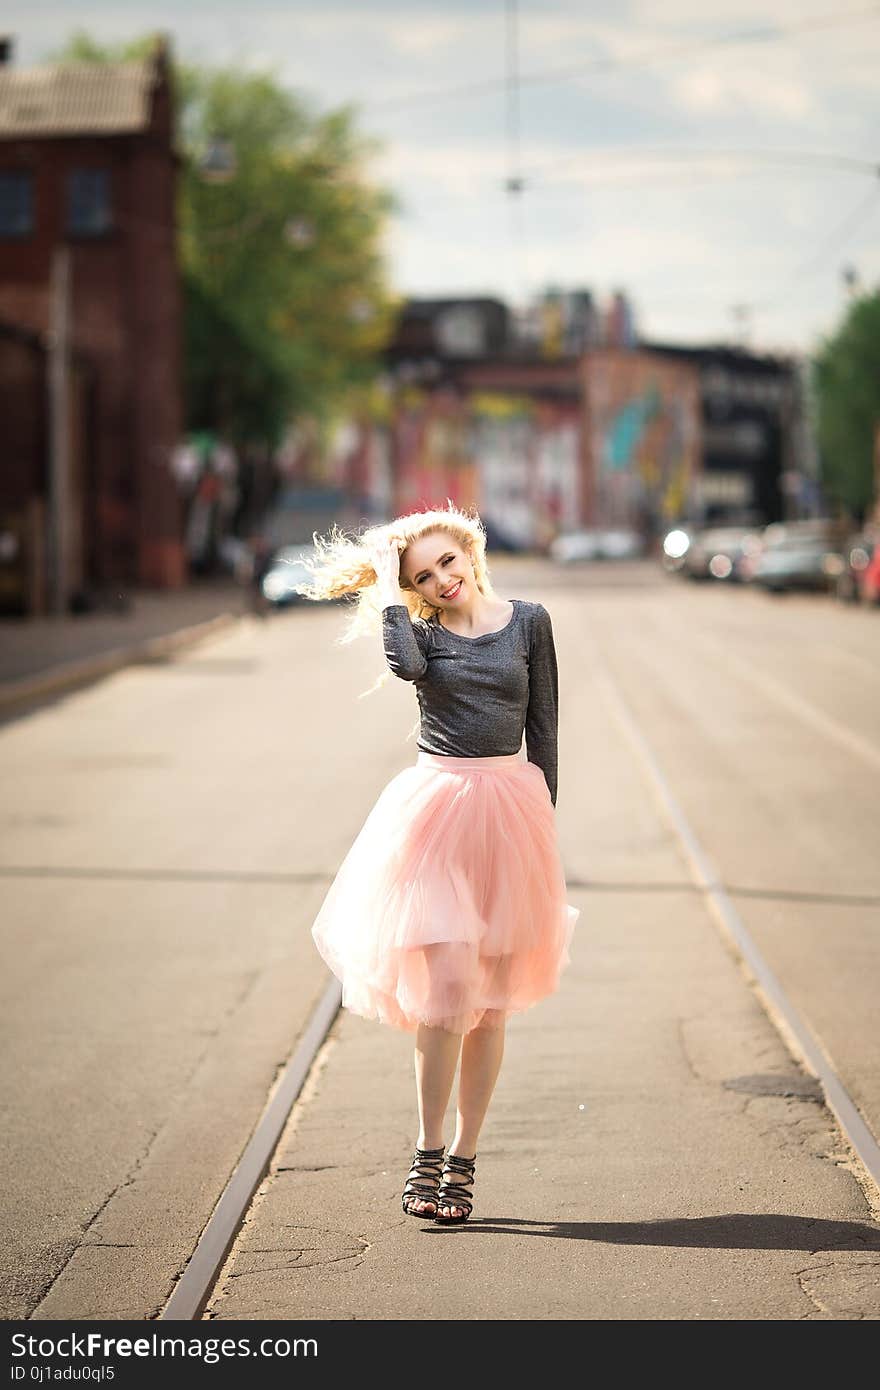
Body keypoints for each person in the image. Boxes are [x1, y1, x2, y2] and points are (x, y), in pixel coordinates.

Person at [301, 503, 578, 1223]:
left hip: (510, 811)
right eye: (424, 575)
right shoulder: (418, 632)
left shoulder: (530, 621)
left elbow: (544, 727)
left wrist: (544, 823)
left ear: (469, 548)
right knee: (450, 982)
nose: (442, 579)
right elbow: (405, 667)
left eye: (446, 562)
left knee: (490, 1005)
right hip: (435, 813)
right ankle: (426, 1151)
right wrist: (394, 594)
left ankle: (464, 1158)